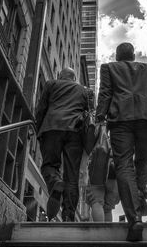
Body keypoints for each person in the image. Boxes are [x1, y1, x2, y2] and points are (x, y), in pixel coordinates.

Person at [95, 42, 147, 241]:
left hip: (121, 120)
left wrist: (99, 118)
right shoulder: (146, 68)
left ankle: (134, 219)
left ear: (117, 56)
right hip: (146, 118)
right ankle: (139, 194)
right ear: (132, 55)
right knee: (142, 162)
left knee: (123, 164)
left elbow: (105, 93)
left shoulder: (108, 68)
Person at [36, 67, 90, 222]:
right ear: (74, 78)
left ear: (60, 76)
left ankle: (55, 182)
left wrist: (38, 128)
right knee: (72, 176)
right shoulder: (84, 91)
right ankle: (68, 216)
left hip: (52, 127)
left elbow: (41, 109)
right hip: (75, 132)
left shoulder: (51, 84)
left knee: (49, 165)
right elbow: (89, 114)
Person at [86, 155, 120, 222]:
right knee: (108, 209)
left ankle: (99, 232)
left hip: (97, 167)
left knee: (96, 202)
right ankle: (107, 232)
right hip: (115, 170)